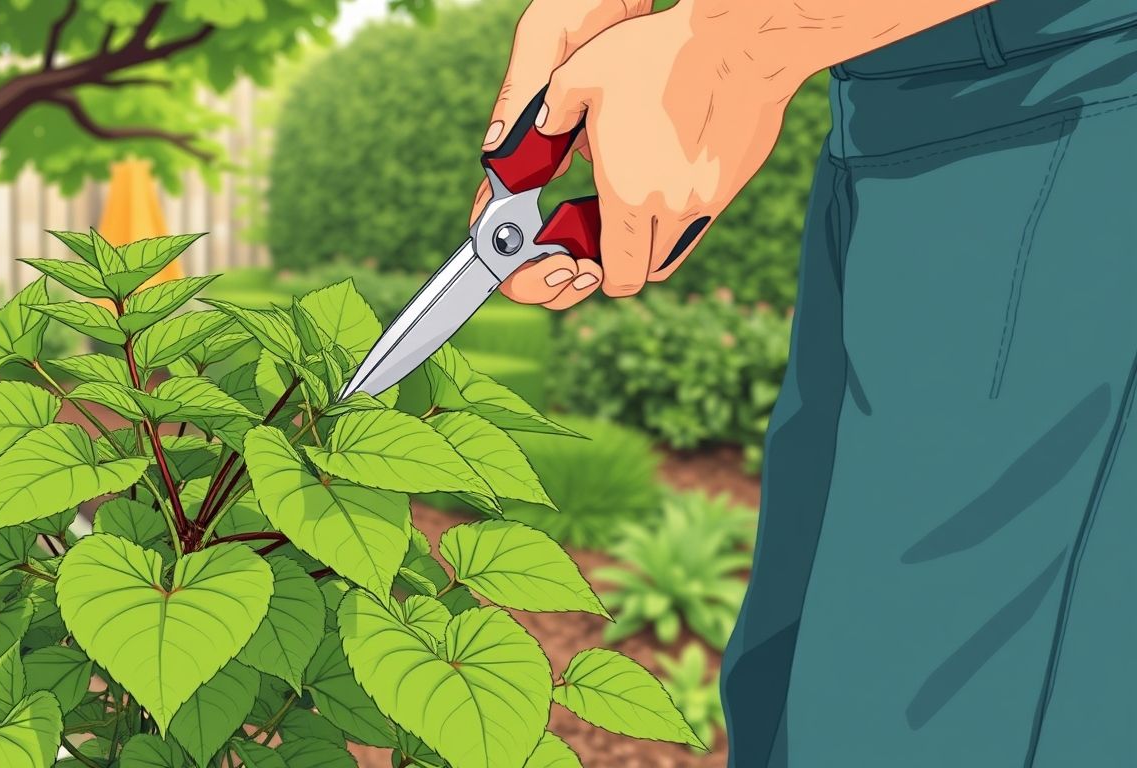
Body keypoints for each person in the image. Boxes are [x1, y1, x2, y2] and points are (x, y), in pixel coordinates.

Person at [477, 0, 1137, 765]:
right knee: (787, 683)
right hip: (882, 88)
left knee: (922, 711)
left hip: (1077, 90)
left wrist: (737, 43)